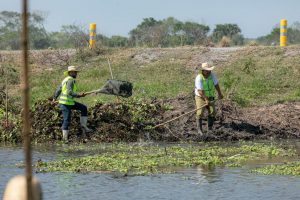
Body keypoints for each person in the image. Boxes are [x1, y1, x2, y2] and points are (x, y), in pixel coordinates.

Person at [53, 66, 92, 142]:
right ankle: (65, 139)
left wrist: (54, 98)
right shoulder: (70, 80)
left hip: (70, 102)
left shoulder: (65, 80)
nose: (76, 73)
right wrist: (79, 95)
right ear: (70, 73)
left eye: (76, 72)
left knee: (83, 108)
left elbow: (59, 89)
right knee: (67, 120)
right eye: (74, 72)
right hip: (65, 103)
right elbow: (69, 92)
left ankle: (84, 126)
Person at [195, 62, 223, 135]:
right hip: (200, 96)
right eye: (207, 70)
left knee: (213, 111)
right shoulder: (199, 77)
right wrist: (206, 99)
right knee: (200, 112)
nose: (209, 71)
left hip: (210, 96)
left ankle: (209, 128)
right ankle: (199, 130)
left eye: (209, 70)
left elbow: (216, 84)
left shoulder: (212, 75)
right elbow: (200, 91)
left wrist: (220, 94)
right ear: (203, 70)